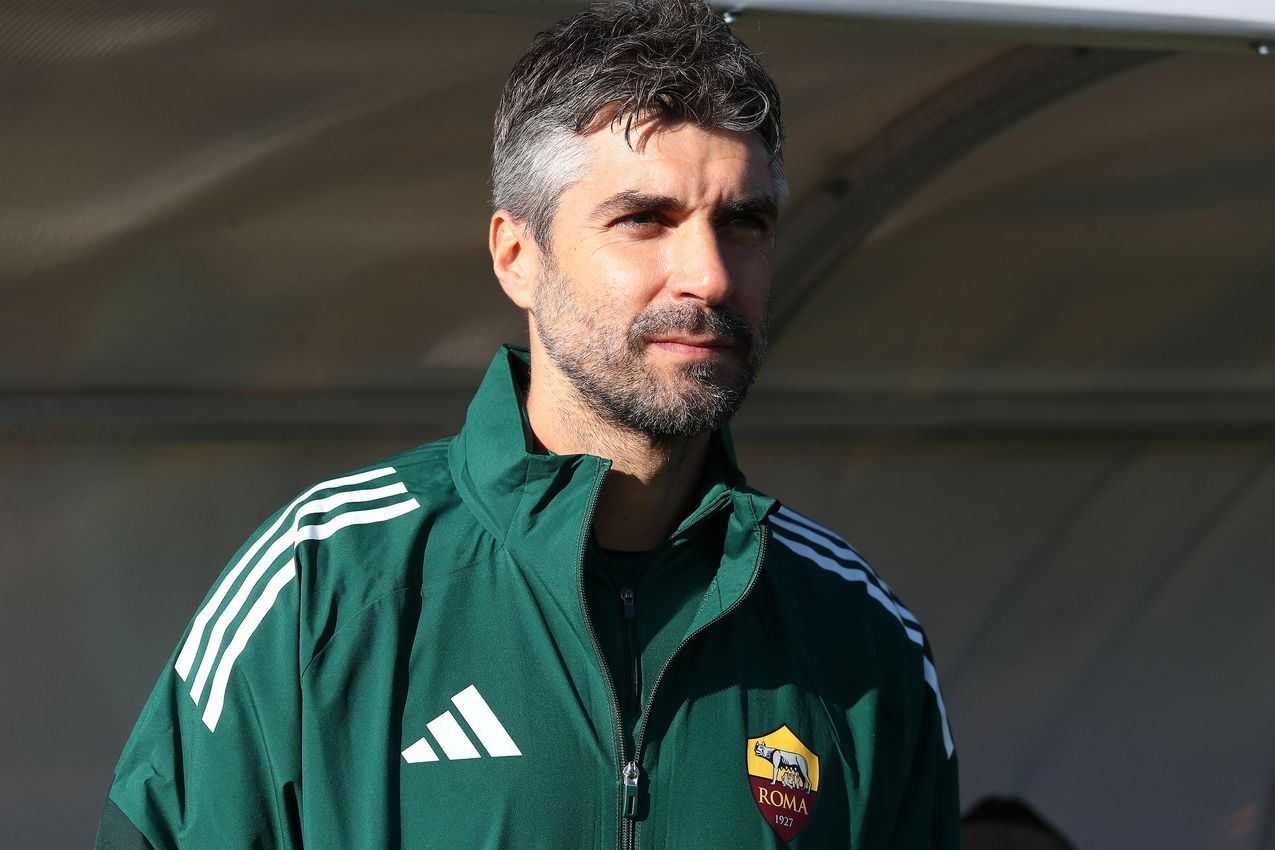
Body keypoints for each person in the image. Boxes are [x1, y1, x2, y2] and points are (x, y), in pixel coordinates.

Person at [97, 1, 959, 847]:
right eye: (643, 221)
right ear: (518, 257)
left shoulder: (856, 634)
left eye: (744, 224)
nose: (706, 274)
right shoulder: (326, 586)